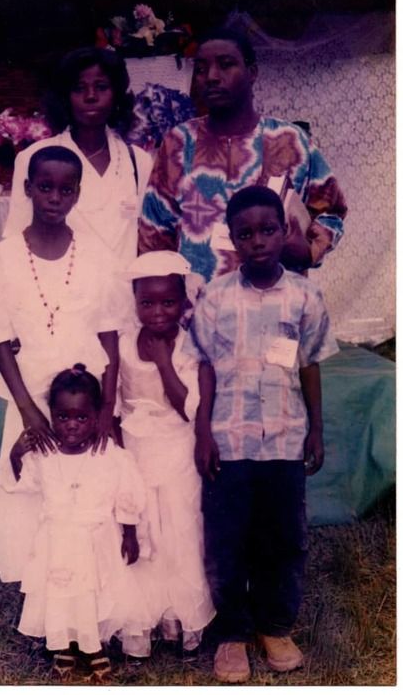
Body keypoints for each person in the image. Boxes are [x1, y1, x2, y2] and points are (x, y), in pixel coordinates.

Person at [187, 186, 338, 683]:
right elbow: (204, 366)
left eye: (268, 230)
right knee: (227, 538)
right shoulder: (215, 297)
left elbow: (309, 363)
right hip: (228, 440)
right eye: (246, 233)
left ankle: (274, 626)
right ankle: (232, 632)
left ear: (285, 231)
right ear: (232, 239)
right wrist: (203, 433)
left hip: (284, 438)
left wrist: (315, 429)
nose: (258, 241)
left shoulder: (305, 296)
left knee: (282, 537)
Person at [0, 146, 123, 583]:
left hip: (85, 397)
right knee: (31, 481)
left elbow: (110, 331)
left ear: (77, 194)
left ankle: (89, 576)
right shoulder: (5, 259)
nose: (55, 197)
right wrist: (27, 409)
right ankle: (37, 579)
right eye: (46, 187)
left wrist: (108, 406)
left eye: (66, 190)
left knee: (85, 482)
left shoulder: (96, 255)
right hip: (30, 391)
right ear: (28, 188)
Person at [139, 27, 347, 284]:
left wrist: (309, 250)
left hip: (278, 299)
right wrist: (161, 292)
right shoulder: (178, 143)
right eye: (201, 69)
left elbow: (332, 211)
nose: (211, 77)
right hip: (198, 302)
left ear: (252, 72)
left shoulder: (290, 141)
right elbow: (154, 230)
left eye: (226, 65)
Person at [0, 364, 151, 681]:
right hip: (57, 543)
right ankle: (63, 645)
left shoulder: (108, 453)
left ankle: (94, 649)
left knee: (93, 595)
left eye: (81, 417)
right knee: (60, 596)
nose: (71, 425)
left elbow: (126, 493)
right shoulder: (45, 454)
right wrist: (15, 455)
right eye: (63, 417)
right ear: (51, 415)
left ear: (97, 416)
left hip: (97, 540)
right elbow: (24, 484)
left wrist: (130, 534)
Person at [117, 251, 215, 659]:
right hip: (136, 448)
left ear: (183, 301)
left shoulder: (188, 347)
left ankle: (181, 616)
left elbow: (187, 408)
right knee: (146, 528)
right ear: (135, 301)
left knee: (178, 527)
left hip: (177, 446)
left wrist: (162, 362)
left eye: (168, 302)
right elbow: (116, 403)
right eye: (148, 303)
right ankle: (147, 617)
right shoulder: (124, 344)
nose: (157, 312)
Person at [4, 46, 153, 272]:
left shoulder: (138, 161)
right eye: (79, 88)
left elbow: (145, 244)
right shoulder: (34, 158)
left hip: (121, 292)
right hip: (60, 288)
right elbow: (16, 239)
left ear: (116, 95)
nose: (91, 96)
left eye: (101, 87)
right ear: (65, 97)